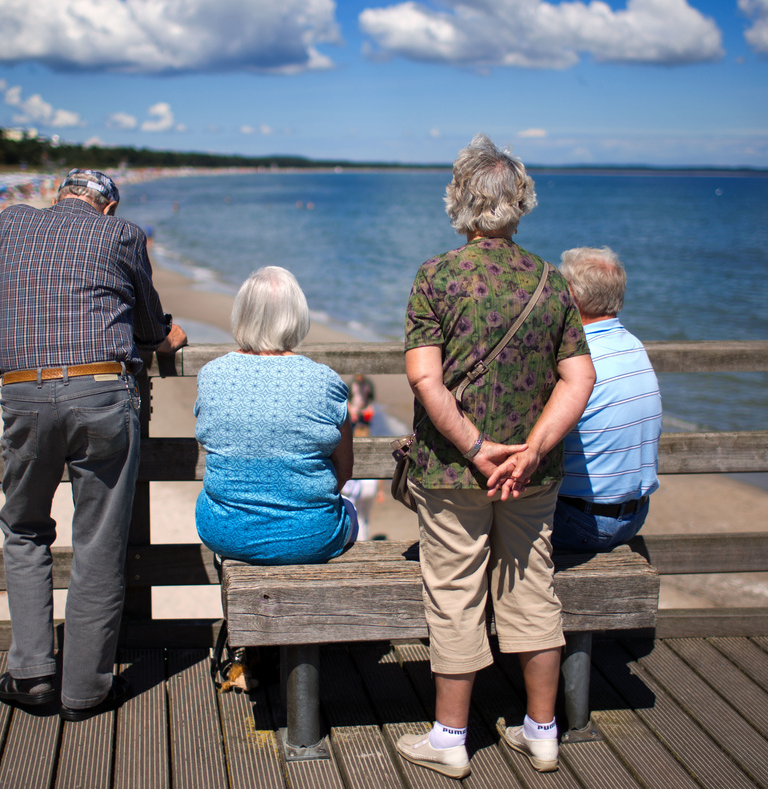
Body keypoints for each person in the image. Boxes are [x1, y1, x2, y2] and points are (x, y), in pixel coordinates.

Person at [397, 134, 595, 779]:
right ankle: (542, 731)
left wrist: (478, 449)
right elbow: (579, 378)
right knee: (531, 588)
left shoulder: (436, 276)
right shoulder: (551, 282)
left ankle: (450, 737)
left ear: (458, 202)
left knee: (454, 593)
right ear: (522, 204)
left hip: (454, 470)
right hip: (529, 474)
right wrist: (530, 451)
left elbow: (426, 381)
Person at [0, 169, 187, 722]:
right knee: (99, 542)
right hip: (103, 393)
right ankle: (85, 691)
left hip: (25, 394)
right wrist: (167, 337)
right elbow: (149, 324)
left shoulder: (11, 221)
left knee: (24, 528)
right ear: (107, 208)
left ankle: (33, 674)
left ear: (58, 196)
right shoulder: (123, 234)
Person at [193, 266, 357, 564]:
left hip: (222, 531)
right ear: (297, 316)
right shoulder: (324, 381)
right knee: (351, 514)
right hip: (310, 535)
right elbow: (343, 471)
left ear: (242, 314)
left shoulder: (212, 375)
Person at [553, 247, 662, 552]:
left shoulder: (579, 358)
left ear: (571, 297)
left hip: (582, 521)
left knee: (493, 524)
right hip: (635, 515)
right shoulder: (633, 346)